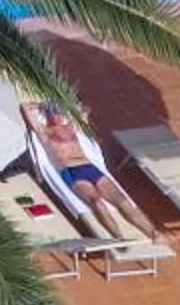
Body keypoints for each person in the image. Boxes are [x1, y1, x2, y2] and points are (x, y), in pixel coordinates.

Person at [23, 101, 151, 242]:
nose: (58, 117)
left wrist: (70, 105)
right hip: (71, 171)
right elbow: (26, 108)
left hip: (90, 167)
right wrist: (42, 105)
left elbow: (85, 109)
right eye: (54, 114)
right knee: (96, 203)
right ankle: (118, 237)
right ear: (47, 115)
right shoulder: (44, 131)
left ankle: (153, 234)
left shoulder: (71, 126)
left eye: (60, 113)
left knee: (122, 201)